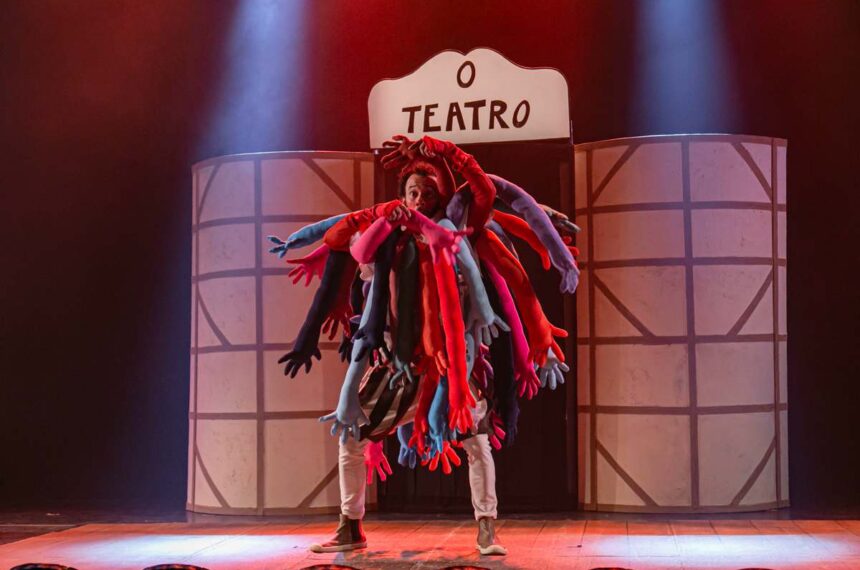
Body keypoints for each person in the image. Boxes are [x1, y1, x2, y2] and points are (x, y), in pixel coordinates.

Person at [268, 135, 577, 557]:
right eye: (413, 192)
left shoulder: (459, 230)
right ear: (403, 197)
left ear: (439, 198)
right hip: (396, 362)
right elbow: (346, 242)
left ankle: (487, 527)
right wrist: (378, 219)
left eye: (428, 193)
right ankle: (350, 526)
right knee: (353, 436)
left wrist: (448, 153)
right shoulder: (389, 236)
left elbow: (486, 190)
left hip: (449, 362)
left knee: (476, 440)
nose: (419, 199)